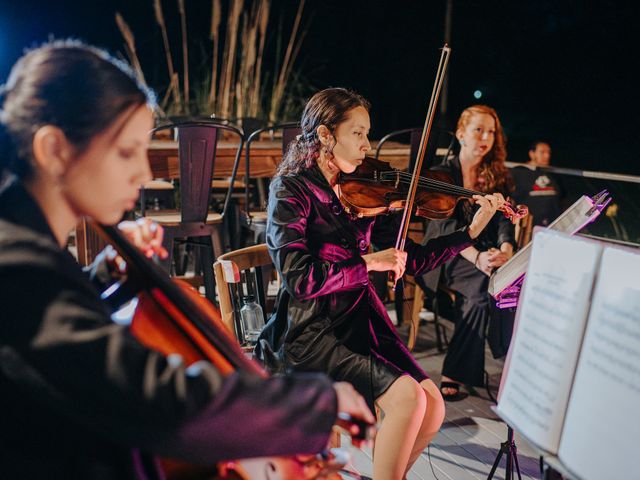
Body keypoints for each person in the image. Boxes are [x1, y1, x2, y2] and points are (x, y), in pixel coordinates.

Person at [0, 40, 375, 479]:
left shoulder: (24, 251)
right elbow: (153, 399)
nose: (145, 173)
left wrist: (106, 271)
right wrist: (314, 402)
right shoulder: (16, 266)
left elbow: (60, 329)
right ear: (54, 150)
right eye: (127, 151)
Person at [255, 88, 506, 479]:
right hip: (314, 331)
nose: (366, 145)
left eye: (366, 134)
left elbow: (412, 260)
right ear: (325, 135)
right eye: (357, 134)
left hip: (360, 317)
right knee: (408, 399)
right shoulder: (292, 190)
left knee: (434, 404)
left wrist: (468, 232)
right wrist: (367, 261)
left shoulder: (364, 189)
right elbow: (300, 279)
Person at [421, 105, 517, 402]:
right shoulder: (441, 175)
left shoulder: (495, 175)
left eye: (491, 131)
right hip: (445, 254)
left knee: (512, 282)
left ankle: (507, 363)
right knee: (480, 291)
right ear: (461, 134)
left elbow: (503, 220)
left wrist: (505, 249)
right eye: (478, 130)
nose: (485, 137)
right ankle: (455, 371)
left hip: (484, 254)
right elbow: (444, 229)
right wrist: (477, 257)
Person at [511, 140, 564, 227]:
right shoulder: (518, 172)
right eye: (542, 152)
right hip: (528, 226)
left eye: (548, 152)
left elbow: (561, 198)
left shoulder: (552, 174)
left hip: (552, 225)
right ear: (532, 153)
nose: (547, 155)